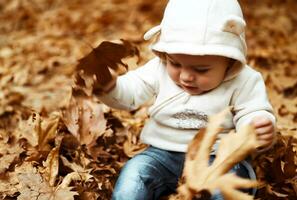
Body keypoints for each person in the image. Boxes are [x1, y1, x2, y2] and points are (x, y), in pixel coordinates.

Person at [91, 0, 276, 199]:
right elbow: (131, 92)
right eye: (175, 63)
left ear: (230, 60)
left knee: (229, 185)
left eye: (201, 69)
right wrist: (110, 87)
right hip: (162, 154)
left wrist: (256, 127)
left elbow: (252, 110)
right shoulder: (158, 69)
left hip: (218, 158)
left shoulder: (244, 80)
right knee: (134, 175)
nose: (186, 76)